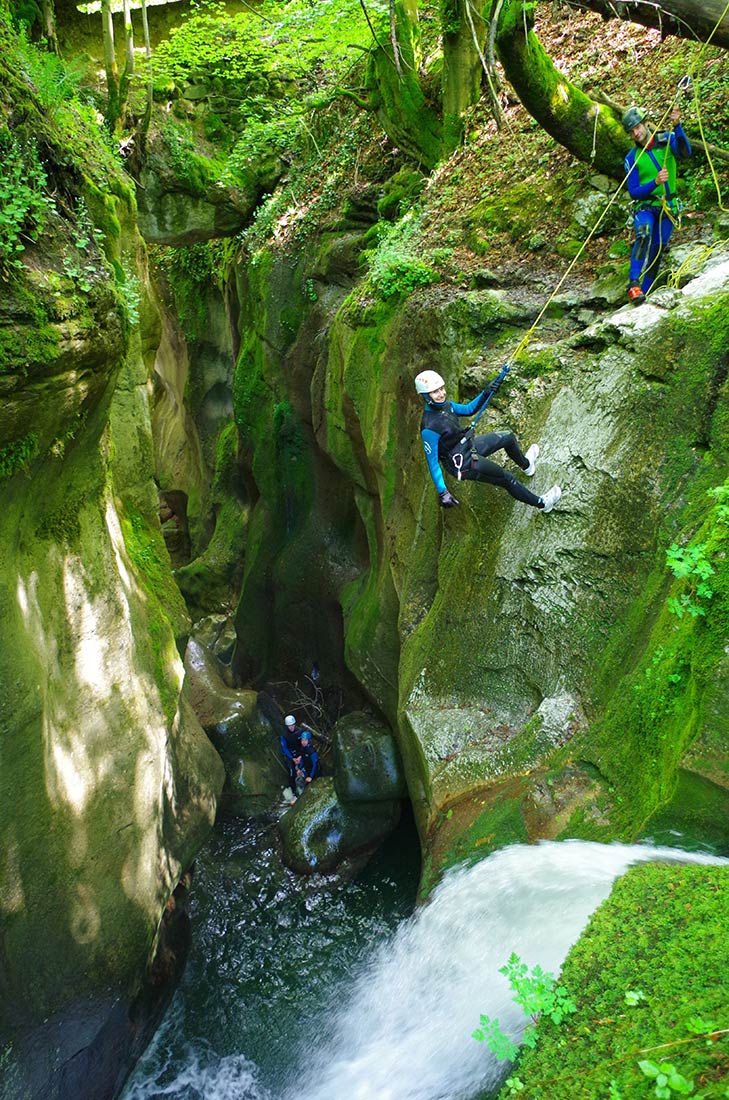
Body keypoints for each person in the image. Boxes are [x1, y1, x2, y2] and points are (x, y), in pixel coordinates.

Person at [415, 370, 562, 512]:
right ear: (426, 396)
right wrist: (443, 492)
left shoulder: (446, 406)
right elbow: (433, 463)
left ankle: (527, 465)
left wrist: (487, 391)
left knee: (507, 437)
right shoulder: (429, 427)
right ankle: (543, 504)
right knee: (506, 479)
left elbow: (468, 409)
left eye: (441, 389)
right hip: (462, 463)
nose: (441, 394)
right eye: (435, 392)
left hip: (467, 447)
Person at [622, 104, 692, 304]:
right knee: (643, 235)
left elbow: (685, 152)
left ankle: (647, 289)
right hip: (645, 206)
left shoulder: (666, 140)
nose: (636, 133)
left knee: (658, 247)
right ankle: (634, 284)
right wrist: (655, 182)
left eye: (637, 127)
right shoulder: (631, 158)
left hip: (668, 206)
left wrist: (677, 126)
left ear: (645, 124)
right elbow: (634, 192)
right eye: (631, 131)